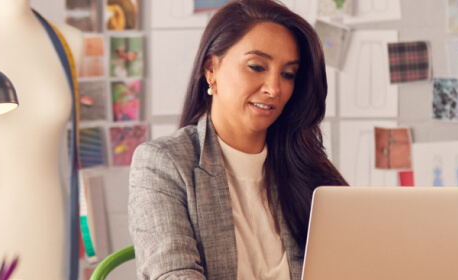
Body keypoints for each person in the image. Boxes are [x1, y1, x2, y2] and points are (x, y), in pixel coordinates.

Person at [128, 0, 346, 279]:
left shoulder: (307, 168)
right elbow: (174, 274)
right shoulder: (163, 163)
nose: (274, 88)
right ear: (211, 69)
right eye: (256, 66)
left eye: (288, 74)